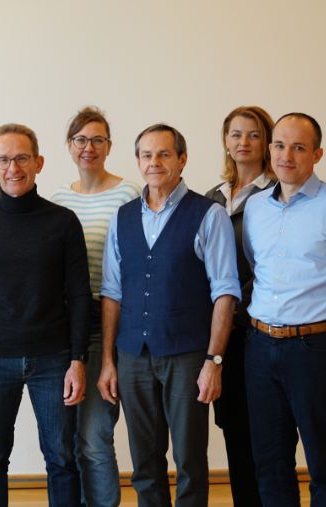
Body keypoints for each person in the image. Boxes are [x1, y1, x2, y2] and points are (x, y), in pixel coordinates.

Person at [98, 124, 240, 506]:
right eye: (146, 155)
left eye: (164, 154)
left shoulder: (209, 214)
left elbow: (225, 292)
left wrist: (214, 361)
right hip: (132, 355)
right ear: (138, 161)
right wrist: (108, 360)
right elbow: (112, 292)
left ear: (182, 159)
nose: (154, 162)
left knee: (190, 459)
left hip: (187, 355)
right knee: (144, 462)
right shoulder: (122, 217)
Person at [0, 124, 91, 507]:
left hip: (53, 359)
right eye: (4, 160)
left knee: (61, 458)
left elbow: (79, 295)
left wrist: (78, 360)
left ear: (38, 163)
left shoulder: (63, 222)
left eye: (21, 158)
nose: (13, 168)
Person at [51, 106, 140, 507]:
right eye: (81, 139)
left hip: (108, 320)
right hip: (63, 325)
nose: (89, 147)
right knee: (67, 440)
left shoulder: (128, 194)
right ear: (69, 145)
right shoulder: (59, 198)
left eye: (97, 140)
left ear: (109, 146)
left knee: (94, 436)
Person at [242, 113, 326, 506]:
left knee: (322, 461)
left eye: (298, 147)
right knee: (270, 462)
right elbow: (254, 266)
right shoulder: (256, 207)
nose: (286, 155)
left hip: (314, 348)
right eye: (279, 145)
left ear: (317, 154)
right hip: (260, 346)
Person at [205, 106, 275, 507]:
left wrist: (233, 306)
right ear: (225, 141)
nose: (243, 142)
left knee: (266, 431)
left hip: (257, 328)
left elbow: (270, 264)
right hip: (221, 333)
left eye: (253, 134)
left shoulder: (276, 193)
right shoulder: (212, 197)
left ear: (267, 142)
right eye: (236, 134)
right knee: (232, 425)